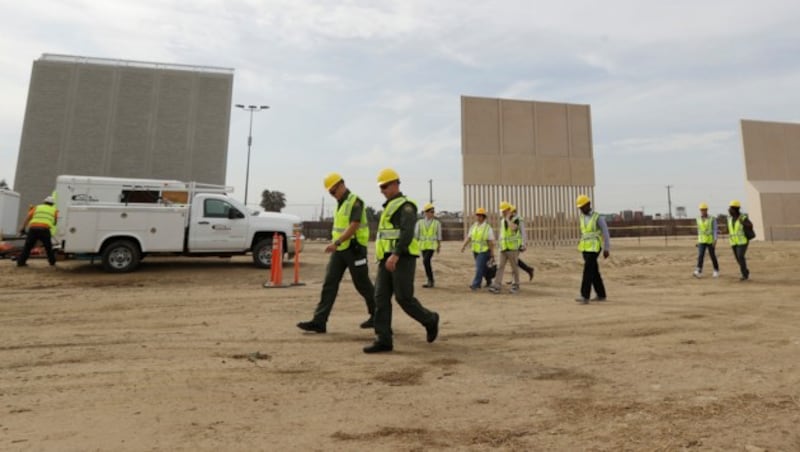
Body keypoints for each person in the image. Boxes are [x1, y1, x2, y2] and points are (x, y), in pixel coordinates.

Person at [363, 168, 439, 353]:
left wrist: (396, 255)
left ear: (396, 184)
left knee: (404, 298)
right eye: (380, 187)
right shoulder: (388, 206)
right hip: (386, 259)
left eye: (385, 186)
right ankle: (383, 339)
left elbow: (406, 233)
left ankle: (430, 319)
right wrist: (386, 257)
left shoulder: (406, 206)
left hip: (402, 258)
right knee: (380, 298)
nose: (382, 190)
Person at [297, 173, 376, 334]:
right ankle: (319, 321)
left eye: (334, 192)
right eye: (330, 193)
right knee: (329, 283)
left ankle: (379, 316)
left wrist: (337, 242)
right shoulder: (341, 203)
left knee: (363, 285)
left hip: (355, 250)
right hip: (340, 251)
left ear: (341, 185)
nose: (333, 195)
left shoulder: (355, 201)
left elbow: (354, 225)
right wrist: (337, 244)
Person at [574, 195, 610, 304]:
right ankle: (601, 294)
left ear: (588, 204)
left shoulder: (597, 217)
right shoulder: (581, 217)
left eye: (582, 207)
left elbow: (606, 233)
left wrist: (606, 248)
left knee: (587, 270)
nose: (581, 209)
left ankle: (585, 296)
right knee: (594, 271)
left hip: (595, 247)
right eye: (579, 207)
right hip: (585, 247)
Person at [489, 201, 522, 294]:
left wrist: (508, 219)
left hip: (512, 249)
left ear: (509, 210)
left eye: (504, 211)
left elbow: (513, 228)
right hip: (503, 248)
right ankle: (497, 285)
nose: (502, 213)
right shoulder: (502, 221)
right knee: (500, 267)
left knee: (514, 268)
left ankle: (516, 285)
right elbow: (502, 234)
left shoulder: (516, 219)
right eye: (502, 211)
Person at [17, 196, 58, 267]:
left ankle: (21, 263)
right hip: (44, 229)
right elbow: (55, 222)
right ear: (52, 204)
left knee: (27, 246)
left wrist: (23, 228)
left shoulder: (37, 207)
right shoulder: (54, 210)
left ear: (44, 202)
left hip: (33, 229)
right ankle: (52, 262)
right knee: (48, 247)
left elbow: (28, 218)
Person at [461, 207, 496, 291]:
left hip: (484, 251)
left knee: (479, 267)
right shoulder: (474, 226)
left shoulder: (488, 228)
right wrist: (463, 246)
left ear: (483, 217)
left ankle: (476, 284)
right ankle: (489, 280)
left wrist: (492, 253)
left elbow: (490, 242)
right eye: (477, 215)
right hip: (475, 251)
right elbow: (469, 237)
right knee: (483, 268)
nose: (478, 217)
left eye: (480, 215)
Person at [415, 202, 441, 288]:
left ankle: (430, 280)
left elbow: (439, 235)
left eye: (433, 212)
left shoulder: (437, 223)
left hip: (431, 246)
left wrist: (439, 245)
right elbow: (416, 235)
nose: (432, 213)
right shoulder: (420, 222)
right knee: (426, 262)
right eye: (431, 211)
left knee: (426, 261)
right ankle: (430, 280)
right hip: (422, 246)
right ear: (426, 212)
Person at [727, 200, 753, 281]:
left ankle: (744, 275)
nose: (729, 210)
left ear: (735, 209)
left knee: (740, 256)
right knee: (738, 258)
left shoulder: (743, 218)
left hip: (742, 241)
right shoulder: (729, 219)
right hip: (733, 241)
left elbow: (750, 225)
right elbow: (730, 229)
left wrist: (743, 223)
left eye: (731, 208)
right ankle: (745, 271)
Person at [693, 202, 719, 278]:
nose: (703, 211)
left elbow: (715, 229)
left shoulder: (712, 219)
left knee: (712, 256)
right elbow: (699, 230)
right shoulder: (698, 218)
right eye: (701, 210)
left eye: (704, 210)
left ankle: (716, 270)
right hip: (701, 240)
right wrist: (698, 241)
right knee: (700, 255)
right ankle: (698, 270)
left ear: (707, 210)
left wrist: (715, 240)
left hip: (710, 241)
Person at [510, 205, 534, 281]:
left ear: (513, 212)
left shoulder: (519, 220)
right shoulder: (513, 220)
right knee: (514, 260)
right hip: (512, 244)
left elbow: (523, 232)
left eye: (510, 212)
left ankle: (515, 279)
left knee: (513, 260)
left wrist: (523, 244)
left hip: (517, 244)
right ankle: (529, 269)